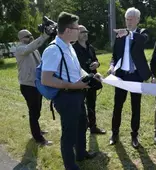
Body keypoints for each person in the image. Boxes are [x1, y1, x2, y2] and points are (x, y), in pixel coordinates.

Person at [41, 12, 99, 170]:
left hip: (77, 95)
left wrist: (90, 76)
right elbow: (46, 79)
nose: (79, 31)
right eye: (76, 28)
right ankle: (70, 166)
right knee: (69, 133)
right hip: (66, 97)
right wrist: (74, 86)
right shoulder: (53, 49)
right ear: (67, 30)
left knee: (82, 124)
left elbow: (76, 69)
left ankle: (81, 153)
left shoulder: (68, 46)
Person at [107, 7, 151, 149]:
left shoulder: (142, 33)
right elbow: (114, 55)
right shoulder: (120, 36)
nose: (129, 21)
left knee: (135, 107)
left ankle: (134, 135)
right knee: (117, 106)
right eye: (127, 19)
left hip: (136, 76)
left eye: (131, 19)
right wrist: (112, 66)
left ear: (138, 20)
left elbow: (143, 40)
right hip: (122, 76)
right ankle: (114, 134)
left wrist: (129, 33)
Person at [15, 29, 52, 146]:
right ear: (20, 39)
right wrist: (44, 36)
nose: (30, 37)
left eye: (31, 35)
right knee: (33, 111)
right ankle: (38, 138)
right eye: (27, 36)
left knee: (37, 110)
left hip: (37, 83)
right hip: (28, 85)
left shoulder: (33, 49)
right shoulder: (20, 48)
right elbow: (29, 48)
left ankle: (37, 130)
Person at [73, 25, 106, 134]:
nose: (85, 34)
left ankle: (93, 127)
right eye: (82, 32)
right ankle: (81, 128)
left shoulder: (90, 47)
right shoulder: (72, 49)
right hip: (80, 82)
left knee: (92, 105)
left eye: (86, 32)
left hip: (92, 81)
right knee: (79, 107)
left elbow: (95, 60)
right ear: (77, 34)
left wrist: (97, 64)